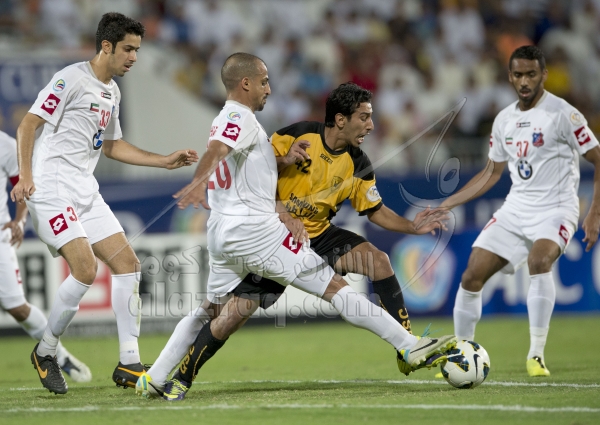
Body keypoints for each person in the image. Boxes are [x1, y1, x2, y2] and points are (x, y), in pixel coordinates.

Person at [134, 52, 456, 401]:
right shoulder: (238, 117)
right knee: (334, 287)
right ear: (245, 83)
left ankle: (156, 378)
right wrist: (199, 181)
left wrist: (283, 159)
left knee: (209, 310)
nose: (269, 89)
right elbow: (217, 149)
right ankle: (408, 345)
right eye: (263, 82)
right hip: (258, 231)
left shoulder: (237, 121)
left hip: (224, 232)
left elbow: (247, 160)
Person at [10, 12, 199, 395]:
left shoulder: (112, 91)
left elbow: (111, 146)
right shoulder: (70, 79)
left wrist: (163, 160)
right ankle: (45, 352)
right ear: (107, 46)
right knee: (84, 268)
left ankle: (129, 362)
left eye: (137, 50)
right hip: (51, 188)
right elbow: (28, 124)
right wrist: (26, 175)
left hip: (85, 190)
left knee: (128, 265)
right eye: (128, 49)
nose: (134, 57)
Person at [440, 45, 600, 377]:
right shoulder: (504, 119)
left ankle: (536, 356)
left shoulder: (564, 114)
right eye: (518, 75)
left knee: (539, 261)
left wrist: (594, 212)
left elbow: (598, 159)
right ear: (510, 77)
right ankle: (461, 353)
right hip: (516, 208)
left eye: (531, 74)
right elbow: (491, 173)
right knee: (471, 275)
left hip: (557, 208)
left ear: (543, 75)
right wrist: (447, 203)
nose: (524, 81)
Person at [1, 130, 92, 383]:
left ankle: (58, 354)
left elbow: (23, 184)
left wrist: (20, 220)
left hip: (1, 237)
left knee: (16, 307)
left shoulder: (5, 145)